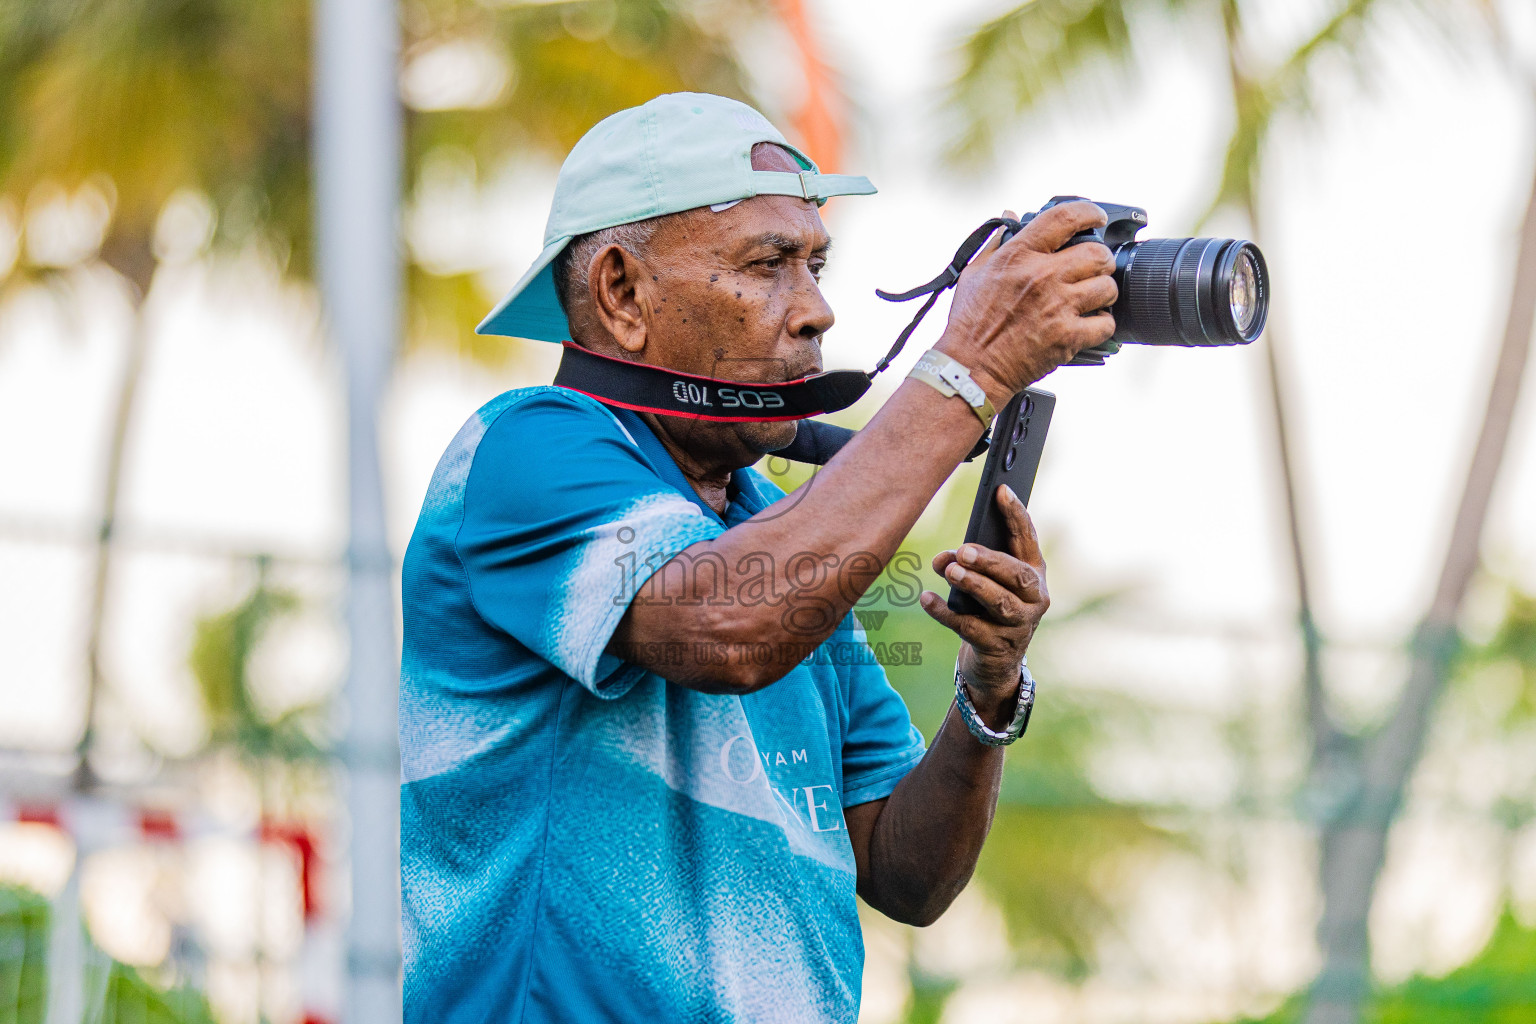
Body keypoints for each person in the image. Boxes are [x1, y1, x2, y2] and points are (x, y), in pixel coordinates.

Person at [399, 92, 1118, 1023]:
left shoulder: (776, 523)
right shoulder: (524, 450)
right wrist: (970, 365)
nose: (817, 310)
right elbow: (735, 627)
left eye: (816, 263)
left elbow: (905, 873)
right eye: (769, 263)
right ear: (622, 294)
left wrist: (989, 689)